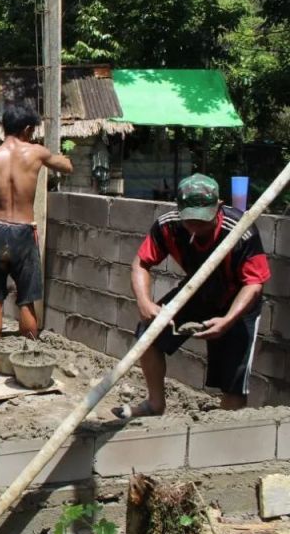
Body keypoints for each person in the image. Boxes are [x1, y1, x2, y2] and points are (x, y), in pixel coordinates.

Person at [113, 173, 271, 419]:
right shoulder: (168, 225)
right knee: (148, 334)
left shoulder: (240, 230)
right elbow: (141, 263)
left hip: (238, 298)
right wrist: (144, 302)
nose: (196, 227)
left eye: (203, 221)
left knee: (234, 379)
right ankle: (155, 404)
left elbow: (253, 284)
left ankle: (224, 427)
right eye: (190, 221)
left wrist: (228, 320)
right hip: (197, 291)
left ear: (219, 207)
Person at [0, 106, 73, 341]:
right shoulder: (36, 153)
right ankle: (29, 351)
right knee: (26, 297)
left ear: (3, 127)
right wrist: (65, 157)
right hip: (24, 231)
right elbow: (67, 167)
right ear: (27, 129)